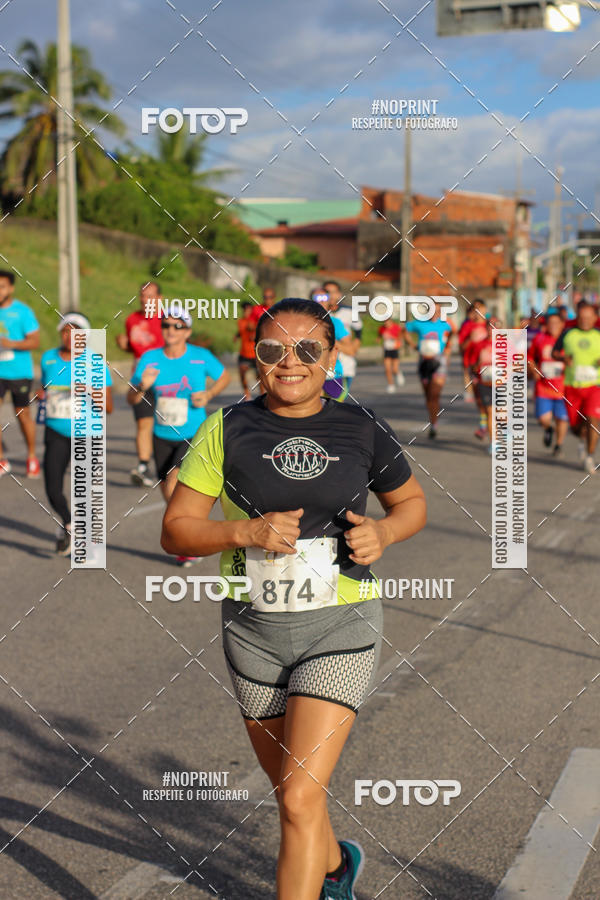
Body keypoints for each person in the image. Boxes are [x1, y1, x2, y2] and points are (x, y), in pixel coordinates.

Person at [161, 298, 426, 900]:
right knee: (292, 792)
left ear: (330, 356)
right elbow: (175, 529)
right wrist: (242, 532)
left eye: (308, 349)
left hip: (341, 625)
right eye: (274, 349)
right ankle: (334, 869)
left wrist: (383, 531)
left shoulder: (361, 425)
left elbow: (412, 505)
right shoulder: (226, 428)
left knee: (302, 794)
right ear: (252, 355)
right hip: (252, 632)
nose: (291, 362)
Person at [128, 304, 230, 564]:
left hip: (193, 432)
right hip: (162, 433)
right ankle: (189, 534)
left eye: (178, 326)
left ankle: (190, 538)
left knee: (175, 481)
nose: (171, 330)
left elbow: (225, 376)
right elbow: (132, 398)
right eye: (166, 325)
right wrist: (142, 386)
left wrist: (208, 394)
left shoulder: (201, 356)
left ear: (187, 331)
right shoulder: (150, 358)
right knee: (167, 489)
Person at [39, 313, 113, 554]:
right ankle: (69, 523)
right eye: (66, 331)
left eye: (77, 333)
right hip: (56, 430)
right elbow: (43, 387)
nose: (70, 337)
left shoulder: (95, 362)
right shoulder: (48, 358)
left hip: (87, 432)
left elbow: (109, 407)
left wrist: (90, 390)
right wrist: (41, 395)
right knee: (52, 487)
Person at [116, 281, 164, 487]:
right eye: (142, 296)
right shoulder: (131, 320)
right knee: (143, 422)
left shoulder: (169, 320)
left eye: (150, 296)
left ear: (160, 299)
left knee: (168, 424)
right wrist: (125, 345)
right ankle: (143, 466)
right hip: (140, 379)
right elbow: (137, 348)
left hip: (166, 378)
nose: (145, 300)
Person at [0, 270, 41, 477]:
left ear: (11, 288)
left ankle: (32, 455)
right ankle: (1, 459)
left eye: (2, 287)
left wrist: (12, 344)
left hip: (19, 372)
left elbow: (35, 341)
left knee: (23, 416)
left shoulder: (23, 312)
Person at [552, 299, 600, 474]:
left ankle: (589, 456)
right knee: (575, 426)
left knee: (593, 420)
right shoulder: (568, 333)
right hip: (572, 387)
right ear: (577, 317)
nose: (585, 320)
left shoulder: (598, 335)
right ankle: (582, 439)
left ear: (595, 318)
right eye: (582, 317)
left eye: (589, 317)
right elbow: (554, 353)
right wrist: (563, 358)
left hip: (595, 386)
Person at [405, 303, 454, 439]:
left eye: (438, 311)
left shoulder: (445, 323)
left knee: (434, 394)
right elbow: (404, 330)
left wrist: (447, 347)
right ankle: (432, 419)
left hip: (439, 360)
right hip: (424, 360)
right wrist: (413, 345)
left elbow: (453, 332)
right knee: (428, 395)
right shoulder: (419, 323)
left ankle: (434, 425)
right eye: (433, 310)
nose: (435, 313)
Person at [528, 311, 568, 457]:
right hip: (543, 386)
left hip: (563, 387)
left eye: (557, 323)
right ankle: (548, 428)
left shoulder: (568, 340)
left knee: (562, 418)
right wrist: (534, 370)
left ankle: (558, 445)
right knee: (542, 418)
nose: (553, 326)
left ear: (562, 324)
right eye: (550, 323)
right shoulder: (540, 338)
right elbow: (530, 357)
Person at [322, 280, 362, 396]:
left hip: (346, 363)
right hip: (327, 364)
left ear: (339, 294)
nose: (331, 295)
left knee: (338, 398)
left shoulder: (349, 312)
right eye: (327, 292)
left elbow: (358, 332)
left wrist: (353, 348)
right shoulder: (318, 314)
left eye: (333, 292)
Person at [234, 302, 257, 400]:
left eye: (248, 310)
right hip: (244, 353)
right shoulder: (241, 321)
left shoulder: (256, 322)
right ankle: (247, 394)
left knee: (260, 377)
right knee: (242, 373)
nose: (246, 312)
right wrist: (237, 335)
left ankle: (264, 394)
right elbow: (242, 330)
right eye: (245, 310)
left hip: (255, 354)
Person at [377, 319, 404, 394]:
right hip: (387, 350)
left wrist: (391, 337)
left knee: (394, 369)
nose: (386, 323)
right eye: (384, 321)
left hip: (395, 349)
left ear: (391, 321)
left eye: (387, 321)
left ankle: (398, 373)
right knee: (387, 369)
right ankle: (391, 385)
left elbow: (400, 338)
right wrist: (378, 340)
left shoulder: (396, 327)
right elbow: (379, 335)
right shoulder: (382, 328)